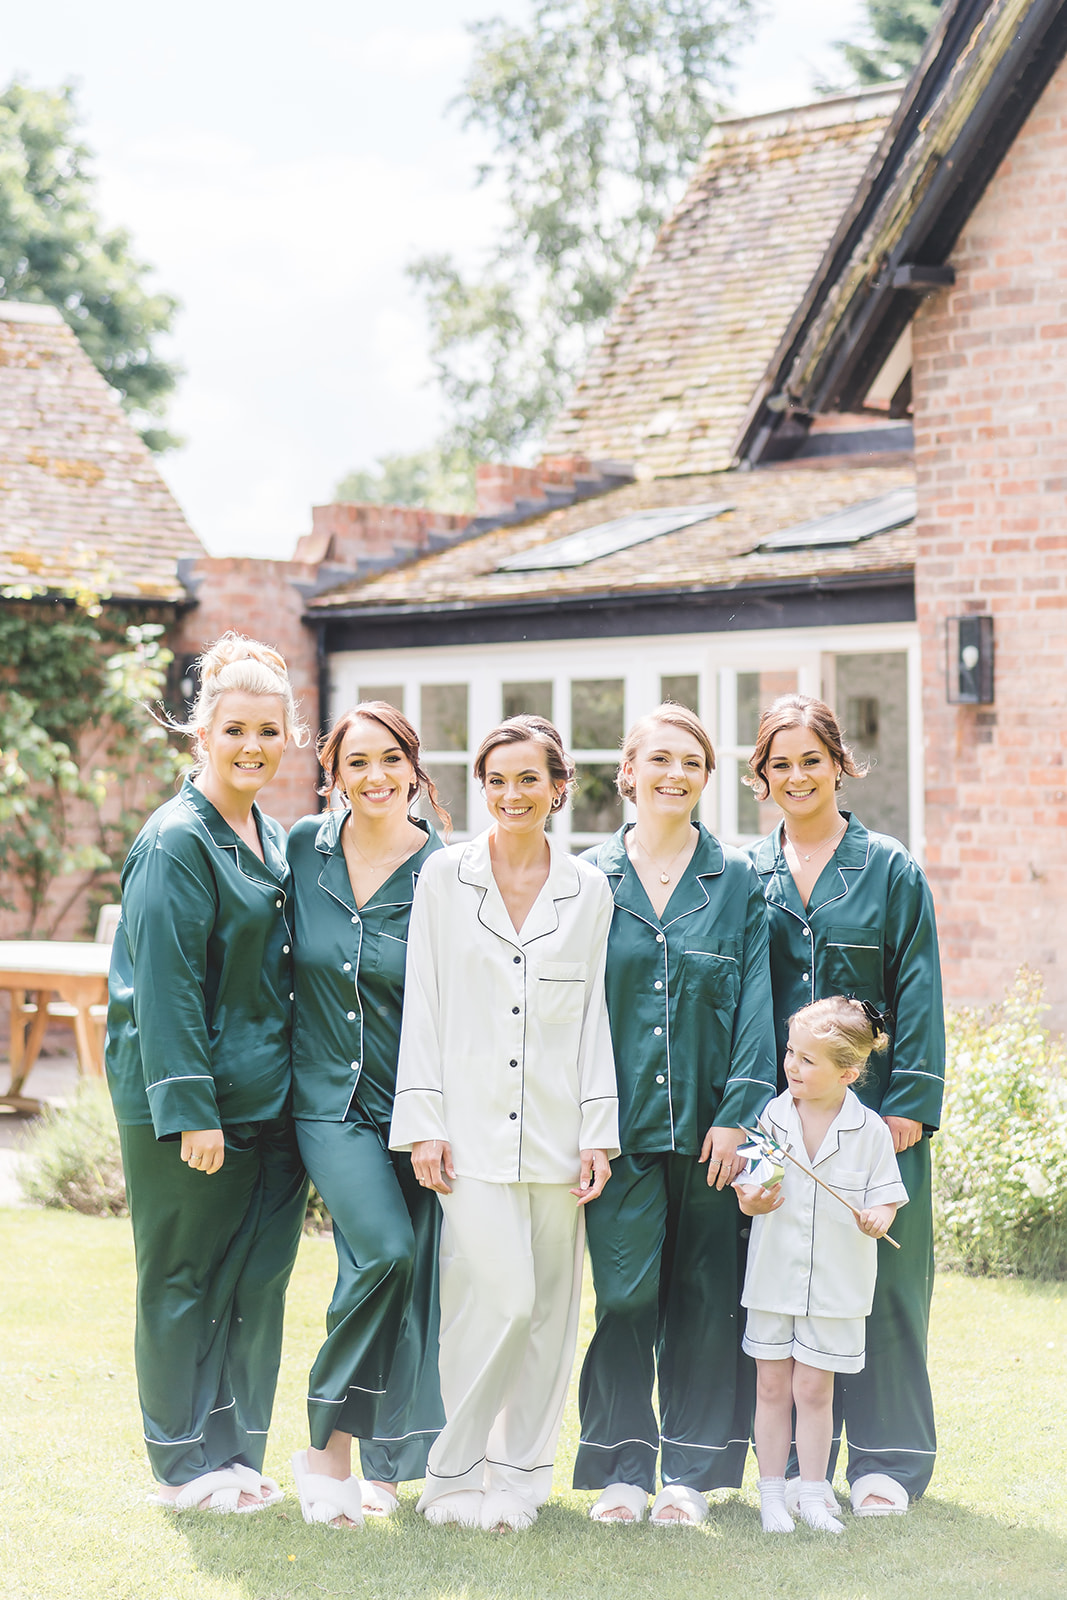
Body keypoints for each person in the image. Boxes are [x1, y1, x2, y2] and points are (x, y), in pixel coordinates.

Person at [390, 714, 619, 1533]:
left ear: (559, 788)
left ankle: (518, 1478)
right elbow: (425, 1000)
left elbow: (593, 1012)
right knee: (496, 1302)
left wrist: (599, 1131)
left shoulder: (588, 888)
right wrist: (423, 1121)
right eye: (497, 780)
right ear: (480, 788)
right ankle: (452, 1472)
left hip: (561, 1136)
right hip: (470, 1131)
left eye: (529, 779)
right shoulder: (443, 879)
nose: (512, 794)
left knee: (551, 1310)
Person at [106, 634, 309, 1513]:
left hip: (267, 1099)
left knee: (254, 1284)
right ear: (201, 735)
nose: (251, 746)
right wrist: (191, 1111)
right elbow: (166, 988)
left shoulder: (267, 833)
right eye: (234, 729)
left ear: (289, 735)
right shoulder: (175, 841)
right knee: (185, 1279)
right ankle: (183, 1467)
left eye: (268, 729)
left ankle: (235, 1458)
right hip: (191, 1106)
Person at [573, 705, 777, 1526]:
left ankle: (689, 1476)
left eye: (691, 762)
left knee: (702, 1297)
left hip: (708, 1134)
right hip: (614, 1132)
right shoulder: (586, 880)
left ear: (706, 777)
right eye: (658, 759)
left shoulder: (736, 883)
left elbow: (757, 1006)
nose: (673, 774)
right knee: (622, 1297)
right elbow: (570, 1011)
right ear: (628, 772)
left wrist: (737, 1115)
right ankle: (621, 1467)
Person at [747, 691, 944, 1516]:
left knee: (884, 1286)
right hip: (776, 1123)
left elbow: (920, 985)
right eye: (779, 763)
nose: (797, 776)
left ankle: (886, 1467)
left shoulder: (889, 867)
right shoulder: (744, 872)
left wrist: (909, 1101)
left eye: (810, 759)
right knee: (777, 1295)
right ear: (762, 776)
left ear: (838, 764)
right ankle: (783, 1473)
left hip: (872, 1124)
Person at [287, 702, 448, 1528]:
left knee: (405, 1275)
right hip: (327, 1105)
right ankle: (324, 1451)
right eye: (357, 763)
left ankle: (384, 1463)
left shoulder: (448, 872)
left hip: (415, 1109)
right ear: (334, 772)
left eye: (390, 759)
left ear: (413, 767)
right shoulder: (299, 851)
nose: (375, 776)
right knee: (382, 1254)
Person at [736, 997, 908, 1534]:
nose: (792, 1066)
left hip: (834, 1285)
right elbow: (752, 1187)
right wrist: (751, 1198)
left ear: (848, 1074)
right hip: (774, 1279)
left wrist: (878, 1216)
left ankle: (812, 1495)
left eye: (808, 1060)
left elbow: (887, 1198)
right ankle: (769, 1497)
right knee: (770, 1387)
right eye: (791, 1052)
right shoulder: (773, 1115)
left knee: (814, 1390)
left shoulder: (871, 1130)